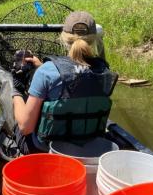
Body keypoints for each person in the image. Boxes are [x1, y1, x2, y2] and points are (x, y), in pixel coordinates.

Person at [12, 11, 117, 154]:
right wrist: (41, 67)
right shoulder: (104, 71)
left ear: (63, 37)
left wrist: (16, 90)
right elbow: (79, 76)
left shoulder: (47, 72)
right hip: (90, 148)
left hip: (47, 150)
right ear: (93, 39)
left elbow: (25, 127)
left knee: (17, 116)